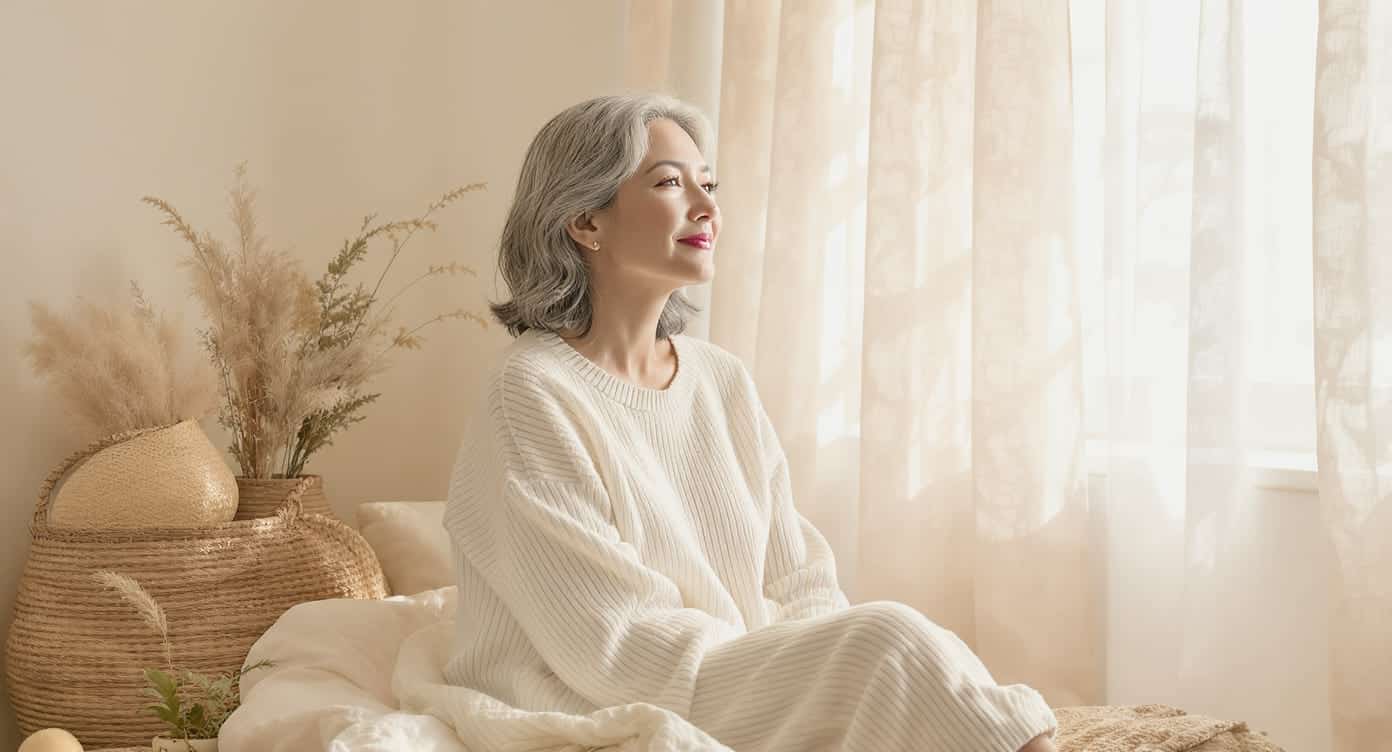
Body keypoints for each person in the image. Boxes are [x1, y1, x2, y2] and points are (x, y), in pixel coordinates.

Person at [443, 92, 1059, 752]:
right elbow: (607, 638)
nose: (707, 207)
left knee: (905, 647)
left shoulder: (721, 379)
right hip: (604, 696)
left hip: (740, 676)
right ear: (586, 223)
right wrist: (791, 666)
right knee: (887, 640)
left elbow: (799, 581)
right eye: (670, 184)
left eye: (708, 184)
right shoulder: (532, 390)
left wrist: (804, 662)